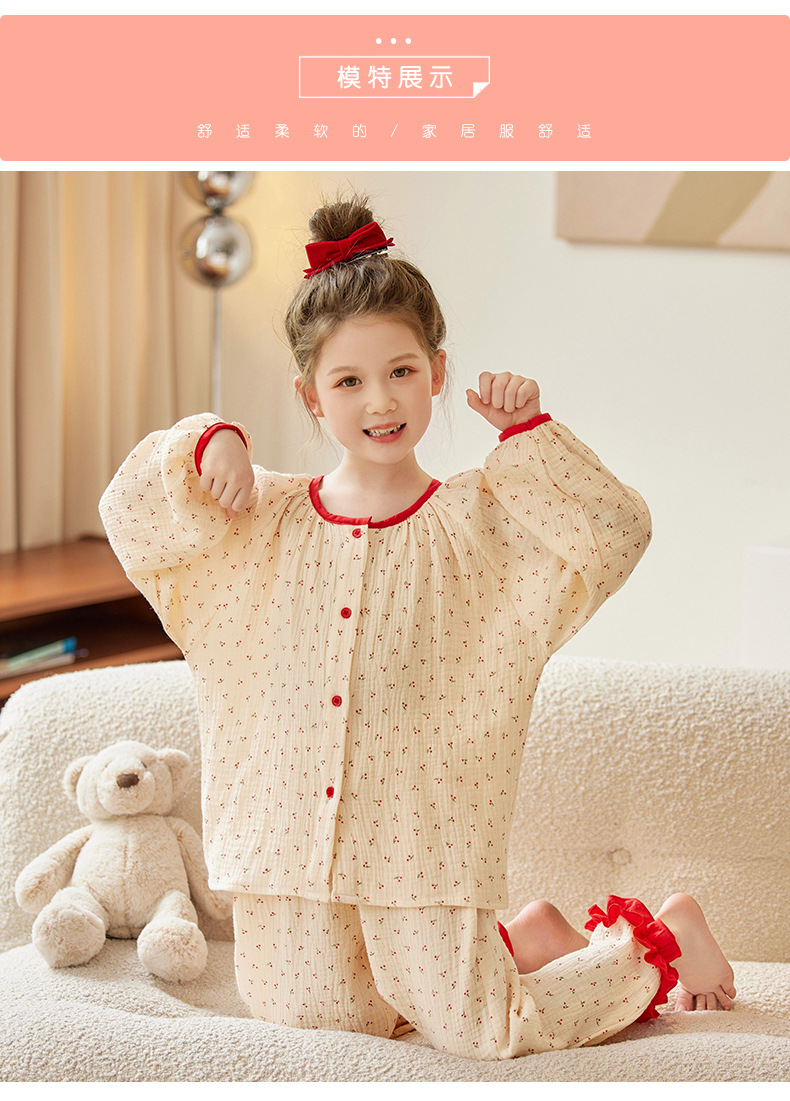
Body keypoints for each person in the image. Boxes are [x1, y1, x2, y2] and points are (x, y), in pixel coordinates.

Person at [100, 194, 735, 1060]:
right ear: (309, 395)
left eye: (400, 371)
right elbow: (133, 515)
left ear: (437, 371)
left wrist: (529, 436)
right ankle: (523, 942)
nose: (380, 400)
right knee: (318, 1019)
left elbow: (615, 532)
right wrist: (209, 438)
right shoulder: (260, 523)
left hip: (423, 846)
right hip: (286, 845)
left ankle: (656, 944)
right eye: (349, 381)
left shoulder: (481, 525)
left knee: (480, 1030)